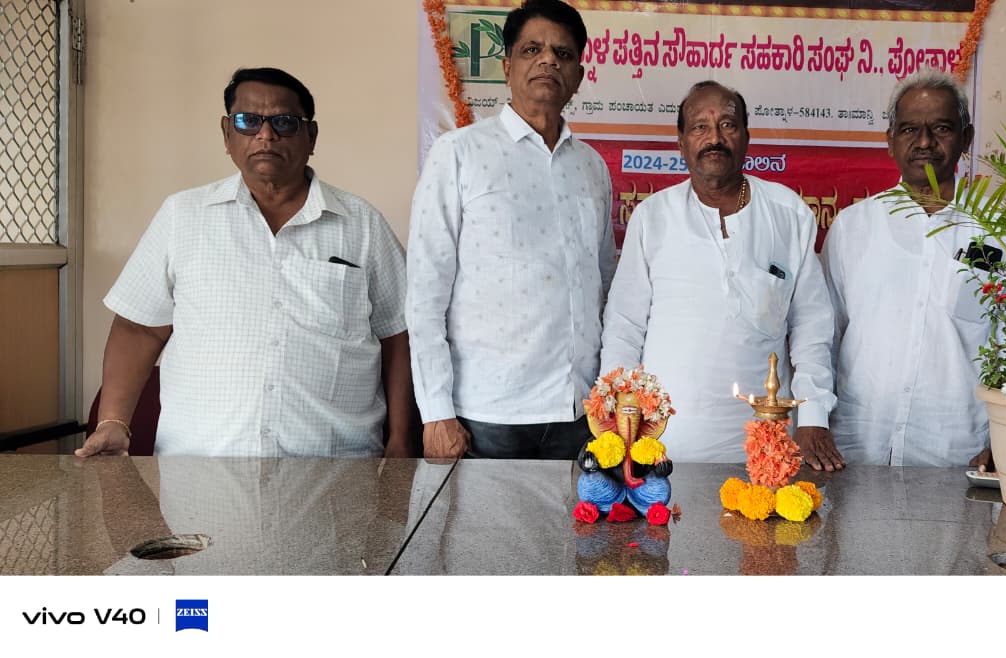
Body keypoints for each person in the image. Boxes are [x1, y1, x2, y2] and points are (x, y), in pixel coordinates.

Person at [77, 67, 412, 458]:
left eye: (284, 122)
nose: (265, 135)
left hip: (335, 469)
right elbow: (139, 329)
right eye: (248, 121)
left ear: (311, 136)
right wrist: (113, 422)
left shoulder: (362, 224)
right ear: (226, 133)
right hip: (199, 472)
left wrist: (401, 439)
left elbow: (398, 335)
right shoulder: (183, 216)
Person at [407, 0, 614, 460]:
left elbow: (603, 283)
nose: (548, 61)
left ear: (578, 75)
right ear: (507, 66)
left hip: (581, 412)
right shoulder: (458, 154)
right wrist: (436, 413)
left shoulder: (592, 168)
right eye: (532, 50)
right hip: (488, 414)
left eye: (563, 54)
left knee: (580, 514)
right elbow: (424, 294)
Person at [600, 81, 840, 468]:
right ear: (681, 142)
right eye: (700, 127)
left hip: (766, 446)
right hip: (662, 443)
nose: (714, 138)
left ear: (746, 137)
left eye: (727, 125)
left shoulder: (788, 214)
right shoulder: (652, 217)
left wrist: (813, 417)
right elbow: (624, 328)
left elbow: (812, 328)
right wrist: (616, 424)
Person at [822, 68, 992, 467]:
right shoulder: (853, 227)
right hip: (858, 446)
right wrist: (815, 420)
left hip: (957, 450)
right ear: (890, 140)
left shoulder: (999, 232)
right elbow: (824, 336)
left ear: (966, 138)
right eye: (910, 129)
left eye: (942, 129)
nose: (925, 142)